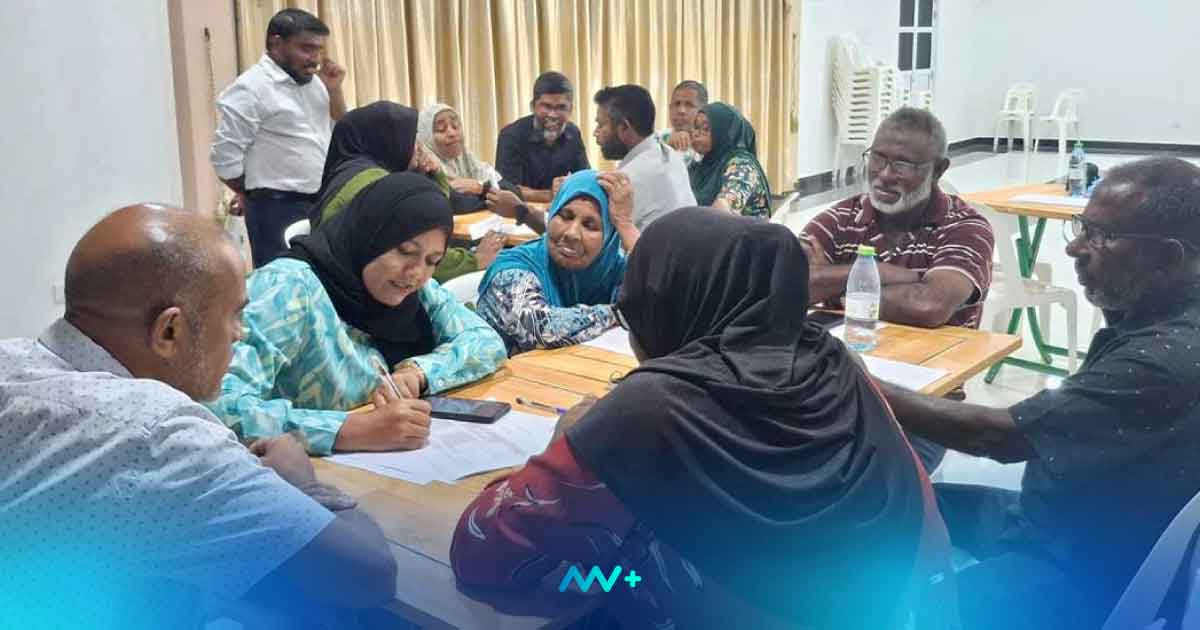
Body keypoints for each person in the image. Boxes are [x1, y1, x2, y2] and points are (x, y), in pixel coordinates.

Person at [451, 208, 956, 630]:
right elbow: (922, 510)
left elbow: (484, 552)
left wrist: (570, 443)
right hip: (896, 611)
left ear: (664, 308)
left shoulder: (652, 410)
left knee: (592, 579)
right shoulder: (830, 361)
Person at [0, 205, 396, 628]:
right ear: (169, 331)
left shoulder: (12, 360)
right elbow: (368, 576)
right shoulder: (160, 437)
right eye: (235, 315)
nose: (240, 334)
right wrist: (304, 484)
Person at [875, 157, 1200, 630]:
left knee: (890, 602)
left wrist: (862, 383)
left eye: (1101, 236)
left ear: (1168, 258)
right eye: (1082, 227)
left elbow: (1000, 437)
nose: (1074, 249)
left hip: (1077, 561)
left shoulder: (1160, 359)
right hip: (1075, 517)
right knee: (904, 503)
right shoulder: (1165, 316)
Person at [207, 173, 507, 455]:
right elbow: (217, 405)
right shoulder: (288, 289)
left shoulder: (417, 291)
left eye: (432, 261)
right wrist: (347, 430)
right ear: (370, 235)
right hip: (288, 474)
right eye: (405, 251)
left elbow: (485, 341)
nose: (416, 272)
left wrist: (419, 372)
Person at [801, 107, 994, 330]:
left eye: (902, 165)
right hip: (850, 348)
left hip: (936, 352)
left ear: (938, 170)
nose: (884, 174)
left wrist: (833, 286)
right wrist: (889, 274)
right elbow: (783, 285)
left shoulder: (965, 227)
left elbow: (929, 305)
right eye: (877, 158)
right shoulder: (841, 219)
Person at [309, 101, 506, 282]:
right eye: (411, 138)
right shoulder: (376, 183)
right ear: (389, 140)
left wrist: (433, 174)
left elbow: (433, 217)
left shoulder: (353, 170)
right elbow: (419, 250)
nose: (419, 147)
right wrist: (474, 260)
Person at [211, 8, 347, 268]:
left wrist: (335, 90)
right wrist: (255, 193)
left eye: (319, 50)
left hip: (320, 201)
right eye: (306, 49)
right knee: (283, 282)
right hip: (276, 210)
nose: (316, 59)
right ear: (276, 44)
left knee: (320, 280)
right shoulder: (251, 88)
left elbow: (340, 128)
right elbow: (224, 160)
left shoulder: (315, 83)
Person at [474, 170, 637, 356]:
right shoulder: (513, 269)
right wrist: (618, 313)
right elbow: (540, 329)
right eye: (565, 216)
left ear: (609, 237)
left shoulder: (612, 268)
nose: (571, 233)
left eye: (590, 225)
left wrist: (625, 224)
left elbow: (658, 301)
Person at [593, 84, 696, 229]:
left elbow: (597, 231)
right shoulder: (668, 154)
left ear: (624, 127)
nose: (595, 132)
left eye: (601, 124)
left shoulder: (626, 181)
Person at [495, 71, 590, 204]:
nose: (553, 115)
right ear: (533, 106)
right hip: (519, 210)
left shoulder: (573, 133)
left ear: (570, 110)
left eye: (561, 107)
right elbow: (507, 189)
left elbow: (584, 177)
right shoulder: (511, 135)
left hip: (559, 209)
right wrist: (550, 194)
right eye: (546, 106)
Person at [688, 102, 772, 218]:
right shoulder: (702, 166)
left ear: (724, 132)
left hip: (743, 230)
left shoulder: (742, 165)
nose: (696, 134)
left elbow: (723, 210)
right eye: (696, 127)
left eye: (706, 129)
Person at [417, 102, 505, 196]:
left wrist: (480, 187)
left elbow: (504, 186)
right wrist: (482, 188)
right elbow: (454, 200)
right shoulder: (425, 168)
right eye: (441, 129)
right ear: (426, 137)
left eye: (455, 126)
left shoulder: (465, 157)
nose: (452, 133)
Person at [658, 79, 707, 166]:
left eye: (689, 105)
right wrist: (667, 148)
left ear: (703, 111)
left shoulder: (710, 145)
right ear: (670, 108)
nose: (681, 111)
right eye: (677, 104)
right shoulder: (656, 139)